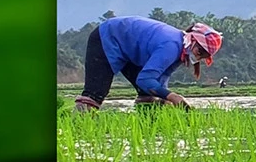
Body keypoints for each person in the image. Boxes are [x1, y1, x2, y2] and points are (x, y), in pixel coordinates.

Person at [72, 16, 223, 112]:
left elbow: (161, 79)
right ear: (193, 40)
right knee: (94, 95)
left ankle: (148, 128)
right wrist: (173, 96)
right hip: (108, 37)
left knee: (150, 96)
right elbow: (144, 79)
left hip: (131, 49)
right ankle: (76, 128)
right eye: (199, 51)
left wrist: (166, 97)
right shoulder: (171, 46)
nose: (198, 57)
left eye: (204, 56)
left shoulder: (181, 52)